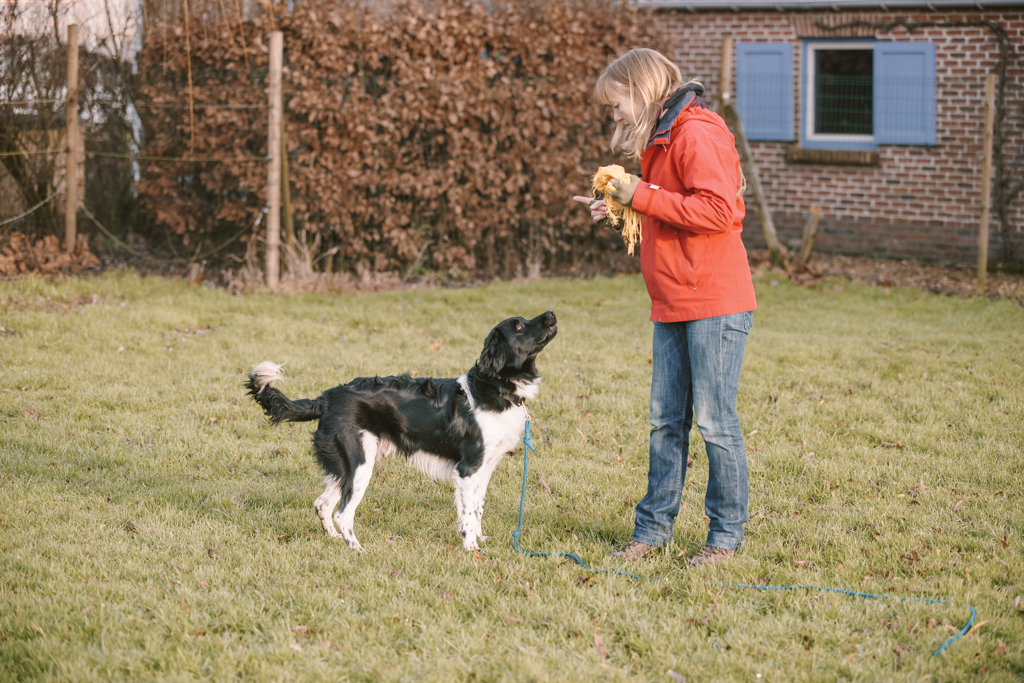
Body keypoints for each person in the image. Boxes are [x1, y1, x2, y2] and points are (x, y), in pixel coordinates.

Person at [572, 48, 756, 567]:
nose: (615, 116)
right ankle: (651, 533)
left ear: (642, 90)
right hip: (672, 301)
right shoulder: (662, 137)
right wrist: (618, 207)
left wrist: (641, 194)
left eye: (617, 104)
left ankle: (725, 539)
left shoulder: (697, 132)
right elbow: (668, 207)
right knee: (664, 422)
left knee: (715, 423)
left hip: (714, 302)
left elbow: (718, 211)